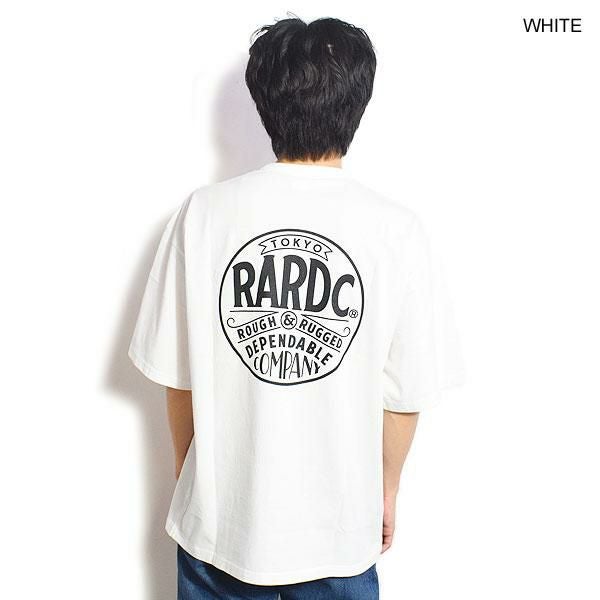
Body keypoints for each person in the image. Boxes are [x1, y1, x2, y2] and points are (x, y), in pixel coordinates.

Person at [128, 15, 465, 600]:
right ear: (358, 101)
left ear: (264, 99)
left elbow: (177, 380)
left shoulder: (203, 214)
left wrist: (194, 481)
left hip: (220, 535)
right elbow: (405, 395)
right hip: (339, 535)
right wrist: (385, 490)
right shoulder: (396, 230)